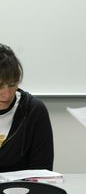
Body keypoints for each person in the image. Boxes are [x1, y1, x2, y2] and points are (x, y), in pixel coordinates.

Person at [0, 43, 54, 172]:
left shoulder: (34, 110)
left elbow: (42, 171)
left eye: (12, 85)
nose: (6, 95)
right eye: (0, 86)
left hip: (21, 191)